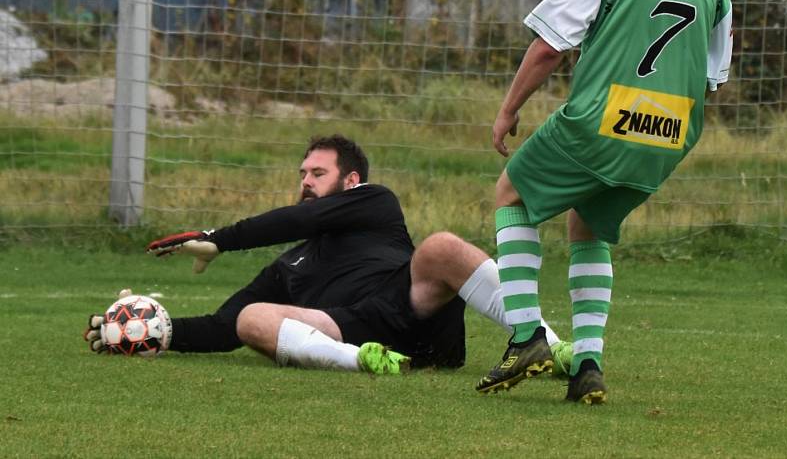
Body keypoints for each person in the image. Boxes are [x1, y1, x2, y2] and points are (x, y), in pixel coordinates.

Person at [475, 0, 733, 403]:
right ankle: (587, 364)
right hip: (671, 133)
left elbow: (549, 47)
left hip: (602, 120)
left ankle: (525, 339)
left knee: (512, 193)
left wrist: (508, 109)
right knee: (587, 224)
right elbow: (713, 75)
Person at [85, 134, 572, 375]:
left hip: (410, 307)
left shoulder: (375, 202)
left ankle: (541, 341)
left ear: (350, 181)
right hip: (348, 332)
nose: (305, 182)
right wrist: (152, 329)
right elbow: (223, 325)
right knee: (252, 317)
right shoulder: (290, 264)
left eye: (317, 173)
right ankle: (366, 363)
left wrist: (221, 238)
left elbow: (300, 219)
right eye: (302, 174)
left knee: (441, 245)